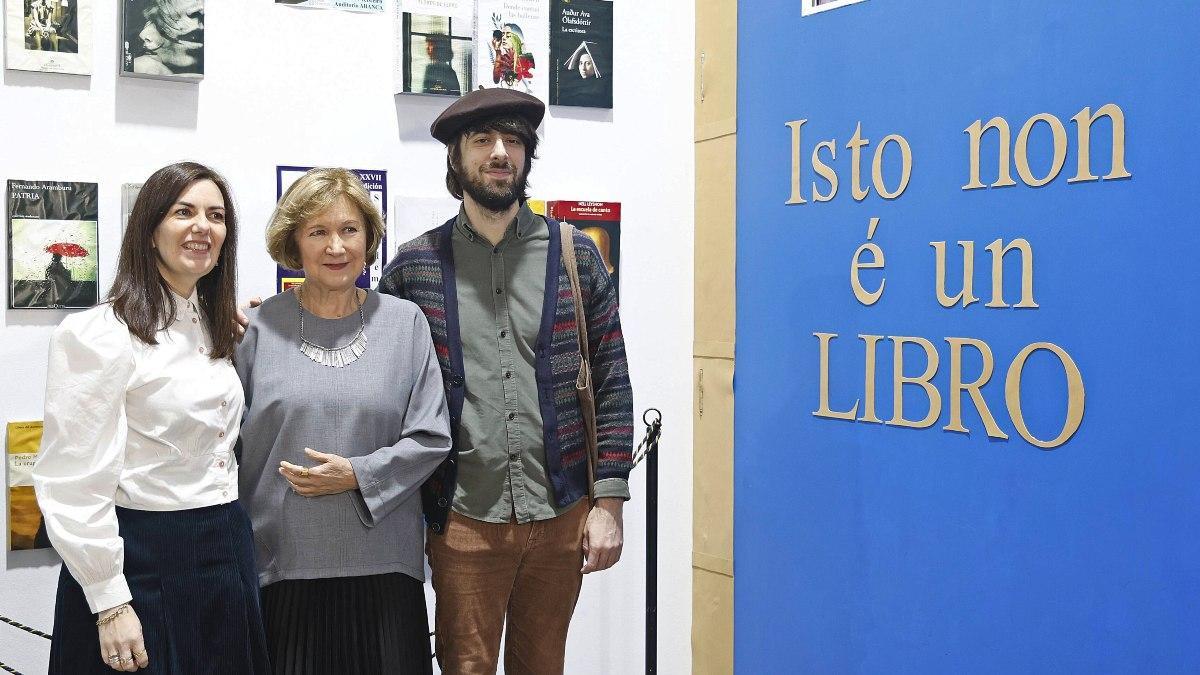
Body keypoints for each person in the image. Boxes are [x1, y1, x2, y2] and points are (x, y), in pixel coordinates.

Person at [379, 88, 634, 674]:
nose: (500, 153)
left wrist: (610, 503)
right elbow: (377, 375)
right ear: (456, 158)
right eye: (482, 141)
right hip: (463, 521)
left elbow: (614, 382)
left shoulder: (577, 256)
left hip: (560, 516)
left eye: (513, 142)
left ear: (526, 156)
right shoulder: (416, 267)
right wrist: (286, 319)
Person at [33, 161, 270, 674]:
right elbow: (71, 484)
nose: (202, 227)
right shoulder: (98, 335)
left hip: (225, 550)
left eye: (216, 215)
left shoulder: (217, 327)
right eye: (183, 211)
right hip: (141, 558)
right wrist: (109, 602)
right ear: (150, 227)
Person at [237, 168, 451, 674]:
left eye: (349, 230)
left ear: (369, 238)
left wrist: (356, 474)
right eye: (318, 231)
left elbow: (431, 435)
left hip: (384, 568)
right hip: (281, 567)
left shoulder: (405, 323)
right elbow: (226, 444)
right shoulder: (258, 326)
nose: (336, 246)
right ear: (294, 241)